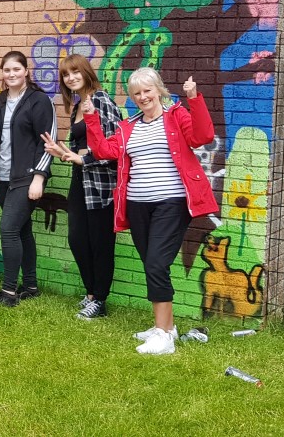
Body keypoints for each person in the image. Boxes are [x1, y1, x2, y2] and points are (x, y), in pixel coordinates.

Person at [83, 68, 217, 355]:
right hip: (137, 205)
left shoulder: (175, 116)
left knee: (156, 264)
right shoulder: (129, 126)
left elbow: (202, 136)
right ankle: (166, 328)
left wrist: (194, 98)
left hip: (171, 203)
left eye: (147, 91)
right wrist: (92, 118)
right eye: (137, 93)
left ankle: (163, 338)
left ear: (158, 90)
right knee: (153, 264)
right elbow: (104, 151)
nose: (143, 97)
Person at [41, 54, 121, 320]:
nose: (71, 77)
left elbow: (113, 149)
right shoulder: (78, 104)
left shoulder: (100, 101)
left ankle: (99, 299)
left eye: (75, 72)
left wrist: (83, 157)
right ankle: (91, 294)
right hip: (80, 181)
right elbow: (81, 147)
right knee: (78, 240)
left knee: (100, 244)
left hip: (100, 185)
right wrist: (62, 152)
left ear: (86, 72)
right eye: (66, 74)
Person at [0, 51, 56, 308]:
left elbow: (48, 142)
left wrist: (39, 177)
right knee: (22, 230)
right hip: (3, 179)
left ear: (26, 71)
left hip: (27, 178)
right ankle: (31, 286)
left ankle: (8, 292)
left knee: (8, 229)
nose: (12, 74)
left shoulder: (39, 101)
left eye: (17, 69)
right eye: (7, 70)